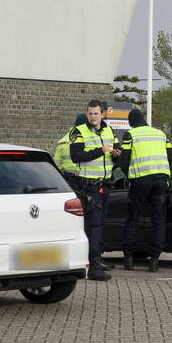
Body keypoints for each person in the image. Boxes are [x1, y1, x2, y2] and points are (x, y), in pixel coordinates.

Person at [69, 99, 121, 281]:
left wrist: (117, 153)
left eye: (96, 114)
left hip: (105, 185)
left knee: (100, 225)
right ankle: (93, 266)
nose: (92, 117)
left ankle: (96, 261)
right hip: (89, 186)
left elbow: (116, 148)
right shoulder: (79, 131)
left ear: (102, 114)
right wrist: (101, 150)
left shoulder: (108, 130)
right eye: (90, 113)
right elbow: (76, 156)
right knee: (93, 226)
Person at [118, 108, 172, 273]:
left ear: (131, 122)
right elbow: (171, 160)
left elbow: (124, 160)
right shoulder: (161, 134)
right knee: (158, 220)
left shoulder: (131, 134)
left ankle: (128, 258)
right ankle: (154, 261)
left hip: (140, 182)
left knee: (132, 218)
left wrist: (130, 175)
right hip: (161, 182)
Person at [54, 113, 86, 193]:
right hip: (85, 177)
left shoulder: (62, 141)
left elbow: (57, 163)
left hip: (68, 178)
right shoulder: (87, 138)